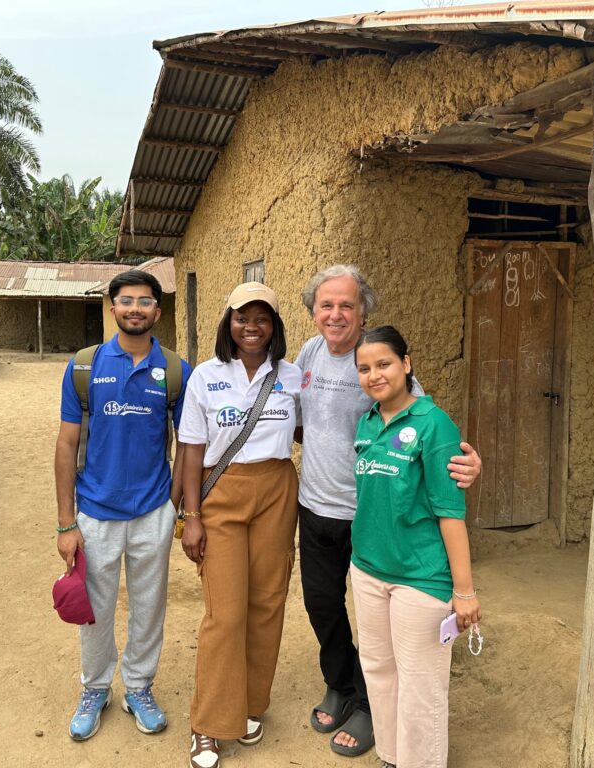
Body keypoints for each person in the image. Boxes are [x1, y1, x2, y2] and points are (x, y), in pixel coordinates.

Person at [294, 265, 481, 757]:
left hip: (372, 519)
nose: (335, 315)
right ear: (314, 312)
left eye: (346, 306)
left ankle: (372, 715)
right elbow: (301, 424)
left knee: (390, 640)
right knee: (323, 607)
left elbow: (429, 435)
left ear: (362, 312)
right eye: (326, 305)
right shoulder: (308, 354)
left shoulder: (392, 380)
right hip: (315, 507)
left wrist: (467, 463)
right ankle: (342, 685)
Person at [53, 269, 193, 742]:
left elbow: (188, 443)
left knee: (149, 606)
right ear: (112, 307)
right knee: (95, 607)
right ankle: (95, 688)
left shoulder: (175, 370)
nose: (136, 309)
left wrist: (175, 505)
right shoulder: (84, 367)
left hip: (153, 511)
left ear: (158, 309)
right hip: (95, 513)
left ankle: (138, 686)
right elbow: (66, 444)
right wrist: (65, 522)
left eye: (145, 301)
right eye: (126, 300)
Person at [177, 282, 302, 768]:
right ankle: (207, 725)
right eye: (241, 318)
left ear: (274, 327)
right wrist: (192, 516)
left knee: (267, 603)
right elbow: (190, 449)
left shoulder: (292, 376)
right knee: (225, 613)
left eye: (262, 318)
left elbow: (313, 426)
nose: (251, 327)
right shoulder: (206, 377)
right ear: (228, 323)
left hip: (276, 489)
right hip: (221, 489)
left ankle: (247, 706)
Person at [351, 325, 482, 768]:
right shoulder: (368, 421)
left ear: (406, 365)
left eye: (384, 364)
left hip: (420, 578)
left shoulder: (434, 424)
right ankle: (391, 756)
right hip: (367, 570)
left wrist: (463, 591)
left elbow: (450, 513)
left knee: (421, 685)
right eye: (364, 368)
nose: (374, 375)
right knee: (380, 673)